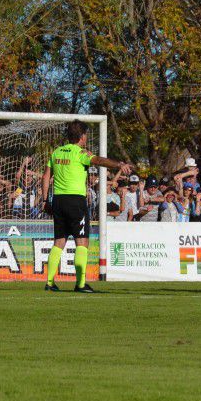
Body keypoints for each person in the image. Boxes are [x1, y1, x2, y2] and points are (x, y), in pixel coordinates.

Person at [41, 120, 131, 293]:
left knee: (59, 241)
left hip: (58, 200)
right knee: (81, 242)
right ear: (82, 136)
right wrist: (119, 164)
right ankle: (80, 283)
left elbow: (45, 176)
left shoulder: (57, 152)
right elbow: (98, 160)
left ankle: (50, 282)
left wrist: (45, 200)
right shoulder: (80, 153)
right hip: (75, 200)